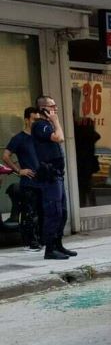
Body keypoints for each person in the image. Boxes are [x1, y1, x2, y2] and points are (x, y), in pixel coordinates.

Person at [32, 96, 77, 260]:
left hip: (57, 175)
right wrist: (56, 122)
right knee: (53, 212)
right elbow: (60, 138)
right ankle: (49, 249)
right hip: (49, 177)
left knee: (62, 212)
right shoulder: (40, 125)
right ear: (43, 108)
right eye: (53, 106)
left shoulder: (48, 125)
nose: (56, 109)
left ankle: (58, 244)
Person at [2, 107, 42, 251]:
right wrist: (19, 171)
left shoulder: (40, 138)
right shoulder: (19, 138)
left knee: (41, 212)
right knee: (29, 213)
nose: (37, 122)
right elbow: (5, 156)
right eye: (34, 119)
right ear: (26, 120)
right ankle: (31, 243)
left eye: (39, 119)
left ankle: (41, 239)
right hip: (29, 182)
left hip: (43, 181)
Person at [74, 118, 100, 207]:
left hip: (81, 163)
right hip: (87, 163)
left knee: (83, 186)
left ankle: (83, 203)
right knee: (87, 185)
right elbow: (97, 136)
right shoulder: (90, 135)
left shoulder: (78, 134)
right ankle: (91, 204)